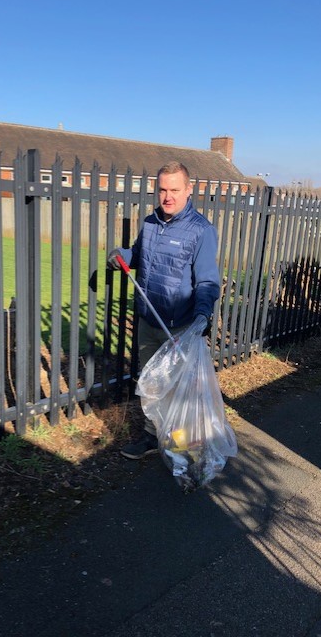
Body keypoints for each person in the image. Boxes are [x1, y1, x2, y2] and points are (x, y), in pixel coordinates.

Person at [107, 161, 221, 459]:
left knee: (181, 392)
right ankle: (151, 437)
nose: (167, 196)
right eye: (162, 189)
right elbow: (138, 256)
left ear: (188, 190)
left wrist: (202, 315)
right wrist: (121, 255)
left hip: (180, 326)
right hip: (148, 321)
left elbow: (208, 280)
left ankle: (184, 448)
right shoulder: (150, 223)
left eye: (174, 189)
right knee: (151, 385)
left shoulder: (201, 231)